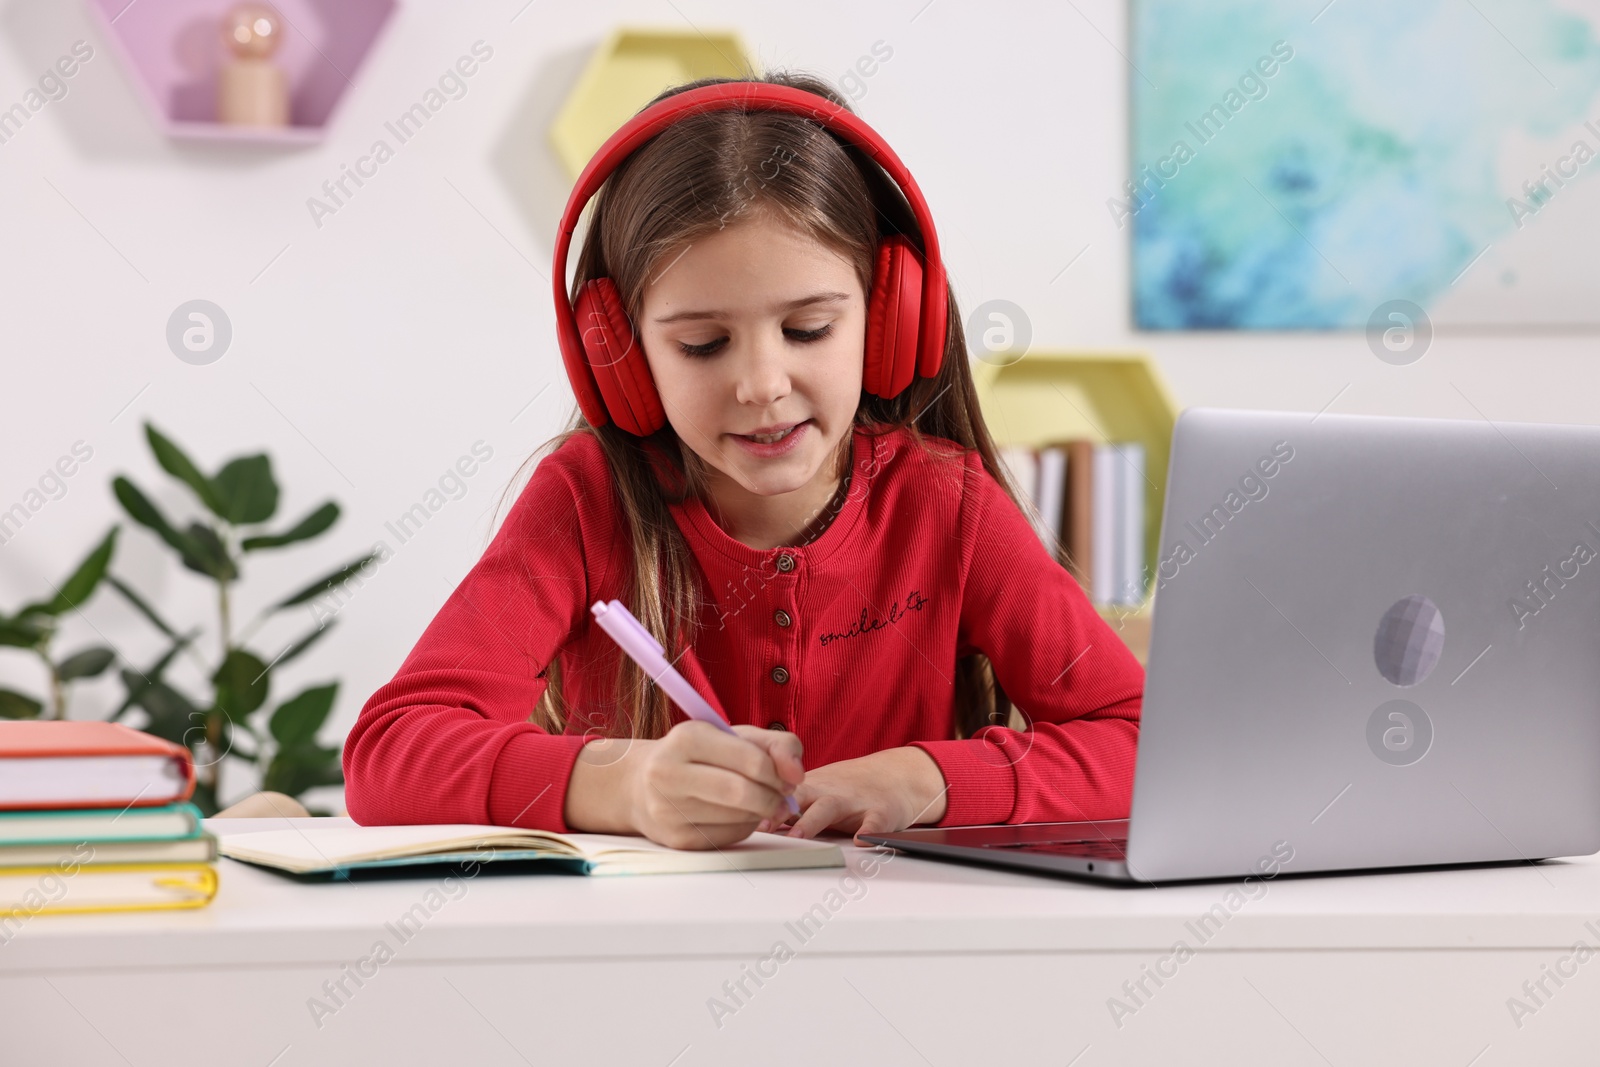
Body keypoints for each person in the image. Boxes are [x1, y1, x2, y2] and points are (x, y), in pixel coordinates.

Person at [342, 71, 1144, 849]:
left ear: (889, 317)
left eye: (807, 330)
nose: (762, 385)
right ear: (618, 355)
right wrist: (627, 785)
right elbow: (389, 755)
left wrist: (926, 780)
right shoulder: (586, 501)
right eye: (703, 343)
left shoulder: (947, 501)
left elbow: (1144, 744)